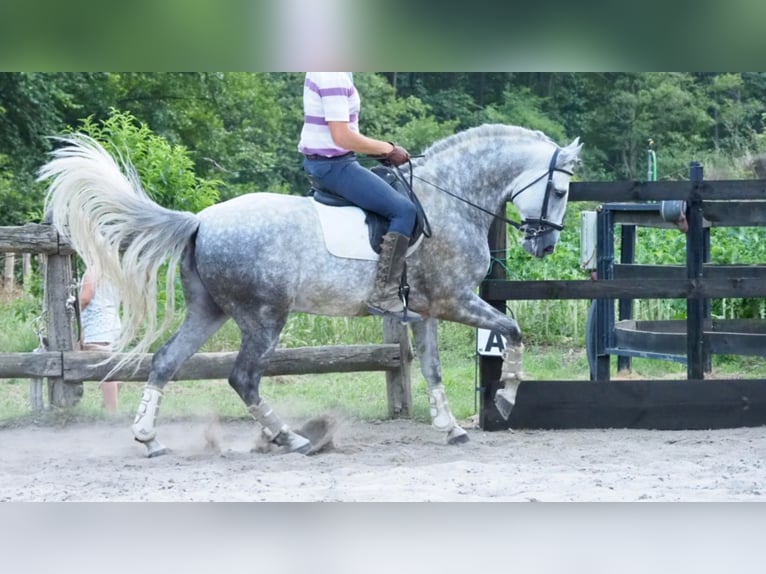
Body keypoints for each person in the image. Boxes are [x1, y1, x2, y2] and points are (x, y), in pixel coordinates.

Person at [298, 72, 421, 322]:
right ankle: (384, 295)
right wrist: (388, 149)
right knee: (404, 210)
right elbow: (342, 137)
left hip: (333, 161)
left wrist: (375, 151)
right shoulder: (332, 75)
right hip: (335, 166)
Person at [79, 268, 122, 412]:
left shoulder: (93, 271)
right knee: (113, 366)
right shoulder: (113, 272)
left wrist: (74, 308)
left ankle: (111, 410)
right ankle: (107, 406)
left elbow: (85, 298)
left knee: (106, 370)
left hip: (97, 327)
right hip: (113, 323)